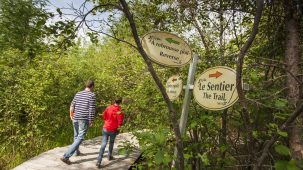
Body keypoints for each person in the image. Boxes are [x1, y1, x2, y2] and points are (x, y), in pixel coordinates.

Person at [60, 80, 96, 165]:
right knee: (80, 137)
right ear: (92, 86)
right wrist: (91, 120)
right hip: (84, 119)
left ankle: (76, 152)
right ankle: (66, 156)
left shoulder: (78, 93)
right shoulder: (92, 95)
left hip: (75, 117)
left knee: (76, 135)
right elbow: (91, 109)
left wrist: (71, 115)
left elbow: (72, 105)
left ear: (86, 85)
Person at [96, 97, 124, 168]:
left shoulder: (108, 107)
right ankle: (109, 156)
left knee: (103, 144)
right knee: (111, 143)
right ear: (120, 102)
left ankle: (98, 161)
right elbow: (120, 121)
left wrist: (107, 121)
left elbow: (104, 116)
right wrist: (118, 128)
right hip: (113, 130)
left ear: (114, 101)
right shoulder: (119, 110)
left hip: (106, 128)